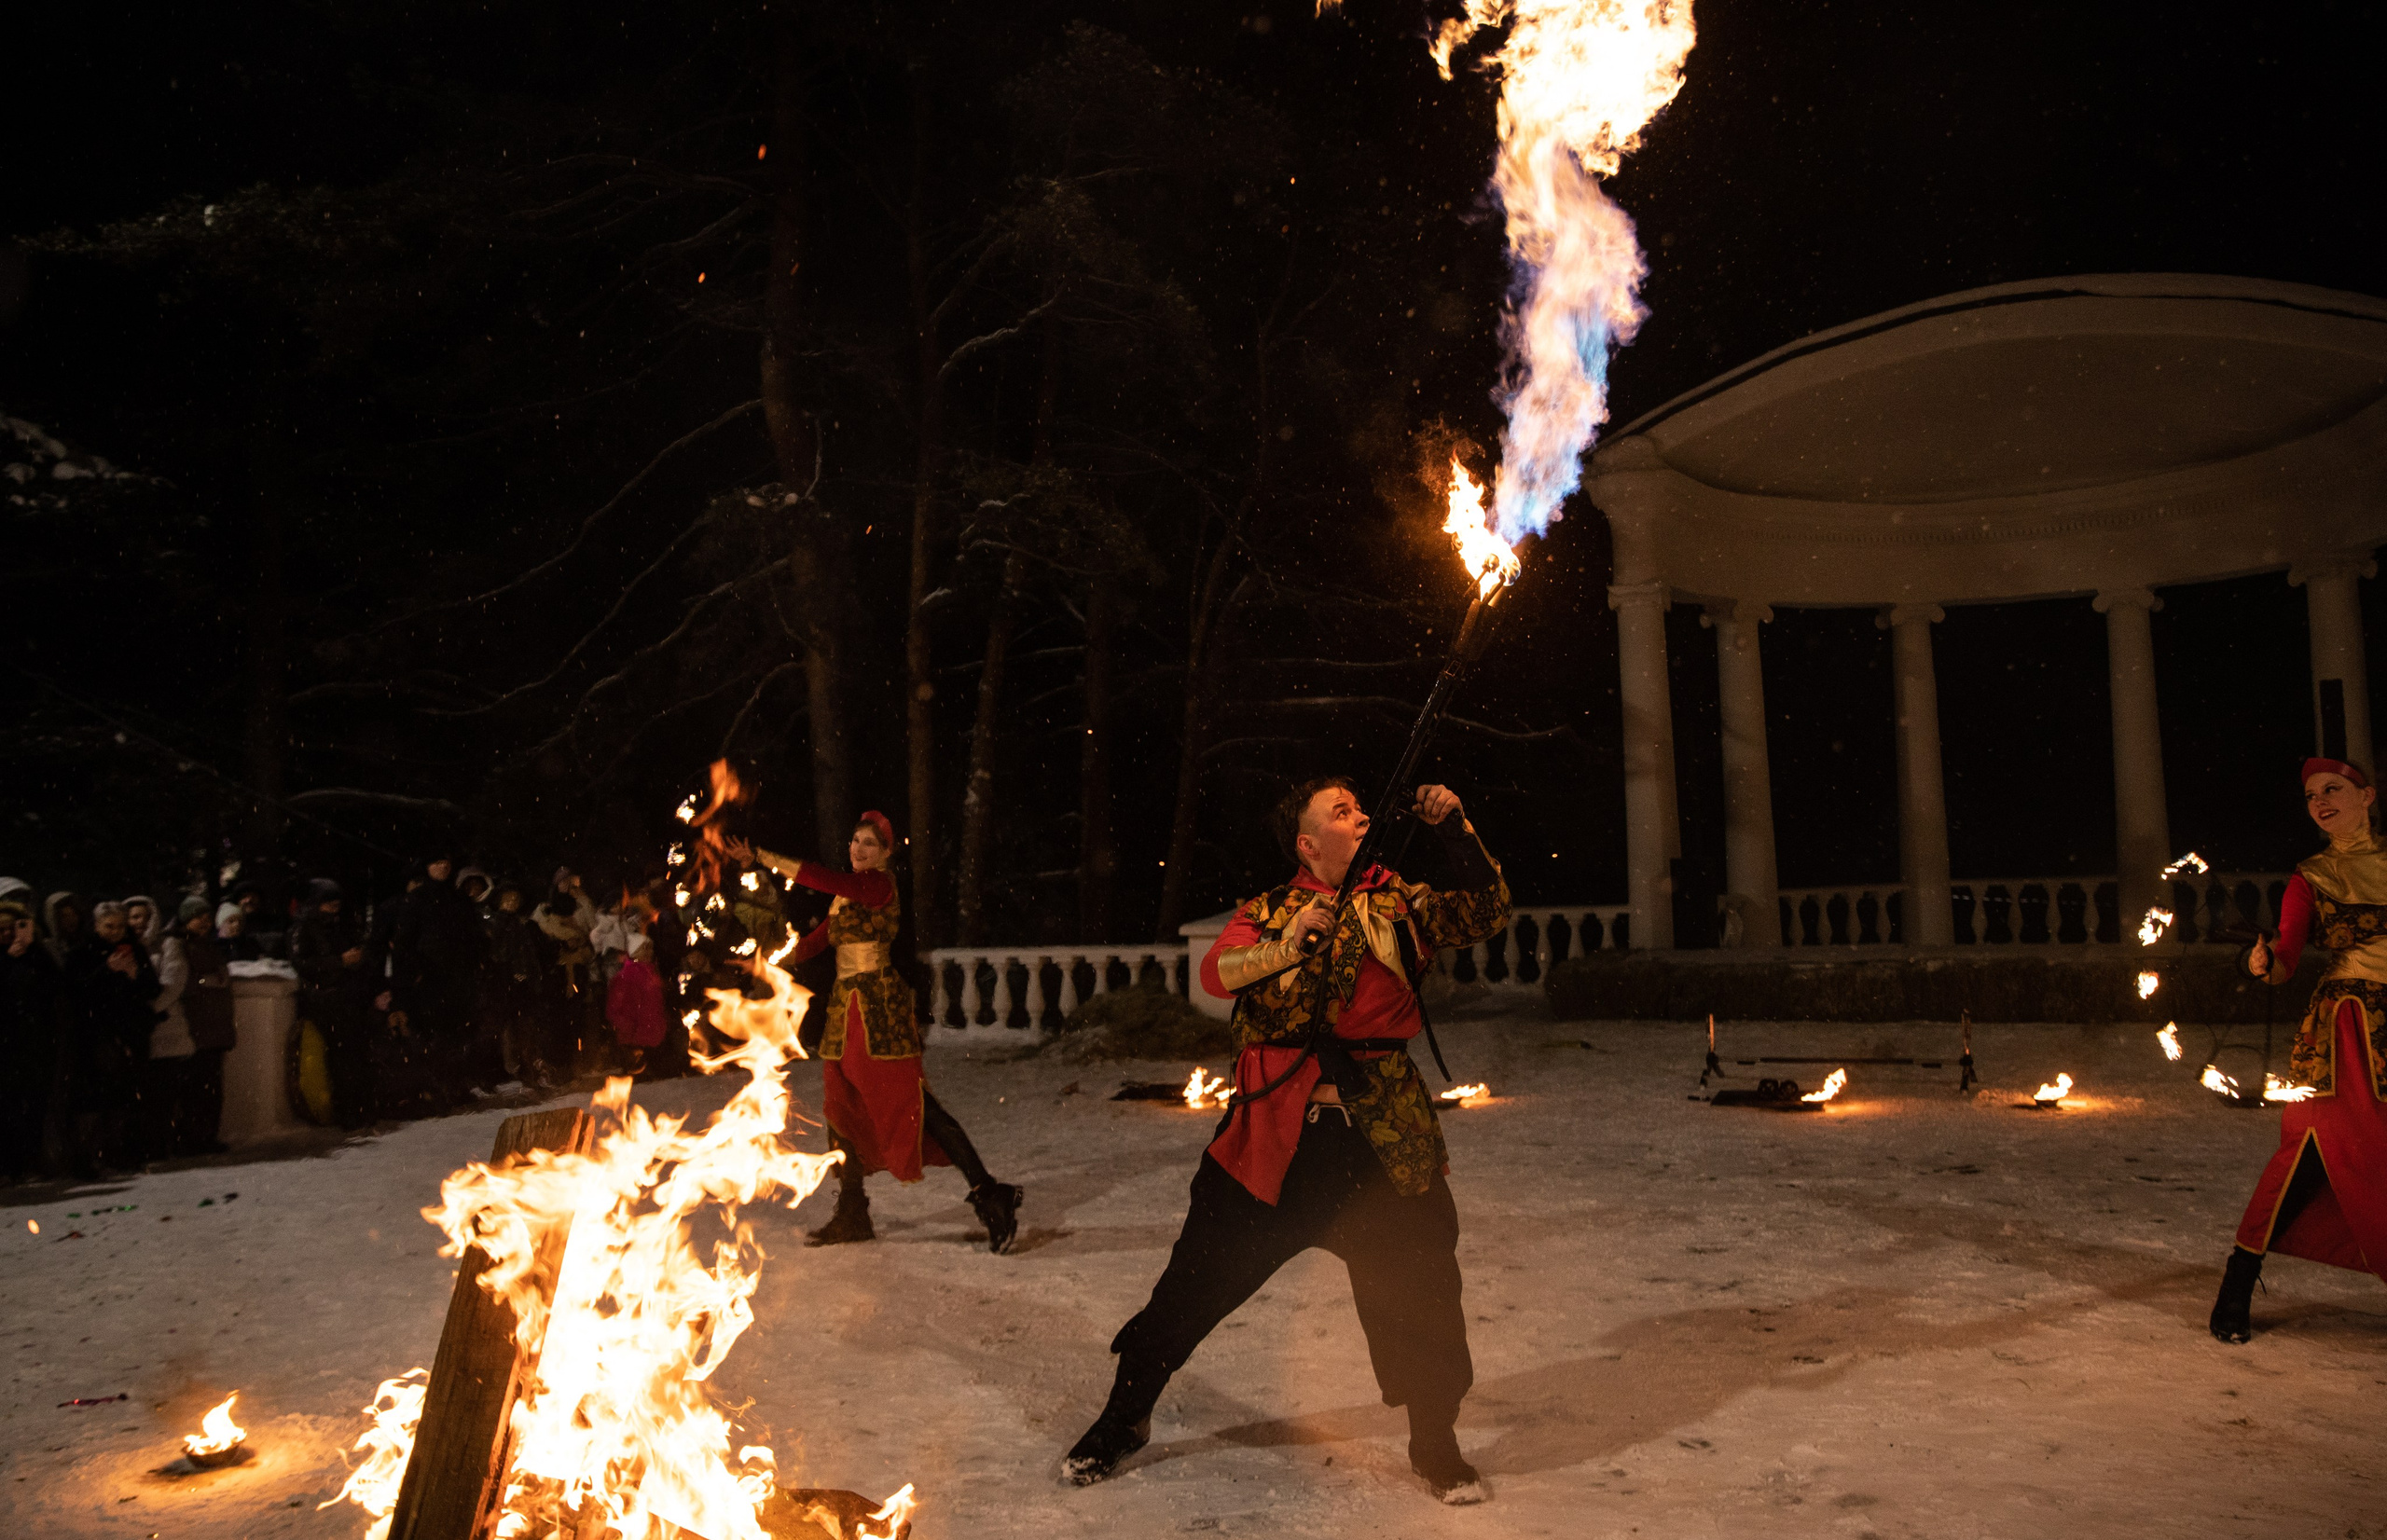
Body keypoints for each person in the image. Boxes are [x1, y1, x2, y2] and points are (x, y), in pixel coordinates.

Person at [1061, 777, 1511, 1503]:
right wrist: (1291, 942)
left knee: (1425, 1294)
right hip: (1274, 1148)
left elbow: (1489, 910)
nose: (1361, 815)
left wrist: (1456, 830)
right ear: (1307, 844)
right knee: (1188, 1291)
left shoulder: (1402, 902)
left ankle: (1436, 1443)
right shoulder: (1272, 910)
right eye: (1341, 812)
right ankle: (1124, 1419)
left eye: (1361, 807)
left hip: (1382, 1145)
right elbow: (1218, 971)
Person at [724, 813, 1024, 1253]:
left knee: (914, 1105)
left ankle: (989, 1193)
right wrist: (769, 962)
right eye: (855, 841)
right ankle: (852, 1211)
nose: (859, 849)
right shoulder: (847, 897)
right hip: (847, 1012)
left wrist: (763, 858)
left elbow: (822, 878)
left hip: (878, 1012)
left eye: (869, 843)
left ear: (886, 852)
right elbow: (819, 940)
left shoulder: (878, 885)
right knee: (840, 1108)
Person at [2214, 757, 2387, 1341]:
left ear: (2367, 796)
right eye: (2312, 795)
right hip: (2347, 1033)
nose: (2320, 801)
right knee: (2309, 1152)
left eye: (2333, 790)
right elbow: (2285, 956)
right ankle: (2237, 1287)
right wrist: (2263, 961)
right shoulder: (2309, 875)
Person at [65, 900, 159, 1176]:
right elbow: (75, 992)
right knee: (97, 1097)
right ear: (96, 926)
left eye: (120, 926)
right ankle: (90, 1157)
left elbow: (151, 989)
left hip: (131, 1033)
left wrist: (135, 976)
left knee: (126, 1096)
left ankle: (121, 1153)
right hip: (97, 1035)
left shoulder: (135, 951)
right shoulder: (83, 952)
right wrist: (105, 970)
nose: (115, 932)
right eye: (109, 926)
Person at [392, 854, 489, 1098]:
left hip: (459, 977)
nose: (443, 866)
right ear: (427, 866)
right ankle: (435, 1088)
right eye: (436, 862)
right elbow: (404, 944)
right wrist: (416, 973)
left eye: (446, 862)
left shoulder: (458, 899)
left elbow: (474, 936)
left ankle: (456, 1085)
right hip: (430, 979)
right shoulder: (415, 900)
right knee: (433, 1035)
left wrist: (477, 962)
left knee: (459, 1032)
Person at [291, 879, 378, 1128]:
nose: (334, 906)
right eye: (328, 902)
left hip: (349, 998)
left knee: (355, 1055)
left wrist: (358, 960)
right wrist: (339, 962)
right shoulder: (304, 929)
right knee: (340, 1057)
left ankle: (360, 1109)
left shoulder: (343, 926)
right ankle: (346, 1112)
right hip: (324, 1001)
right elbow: (303, 964)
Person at [1, 898, 63, 1180]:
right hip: (6, 1046)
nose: (8, 934)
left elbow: (57, 989)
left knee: (36, 1106)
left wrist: (32, 949)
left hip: (36, 1043)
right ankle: (10, 1166)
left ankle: (30, 1163)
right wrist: (10, 961)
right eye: (2, 929)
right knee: (8, 1109)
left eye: (14, 927)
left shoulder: (38, 955)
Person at [172, 898, 235, 1154]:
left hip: (214, 1028)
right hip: (196, 1027)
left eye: (207, 918)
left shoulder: (209, 945)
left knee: (211, 1087)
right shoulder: (180, 945)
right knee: (194, 1088)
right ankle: (190, 1138)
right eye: (198, 917)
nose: (204, 923)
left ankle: (207, 1136)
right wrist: (207, 982)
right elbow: (183, 982)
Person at [534, 868, 600, 1079]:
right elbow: (537, 936)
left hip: (580, 966)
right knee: (557, 1018)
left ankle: (577, 1064)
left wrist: (580, 946)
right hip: (556, 970)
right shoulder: (545, 909)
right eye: (562, 882)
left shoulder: (583, 904)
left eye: (570, 881)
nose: (567, 885)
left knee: (579, 1015)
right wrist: (560, 944)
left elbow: (594, 932)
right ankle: (555, 1064)